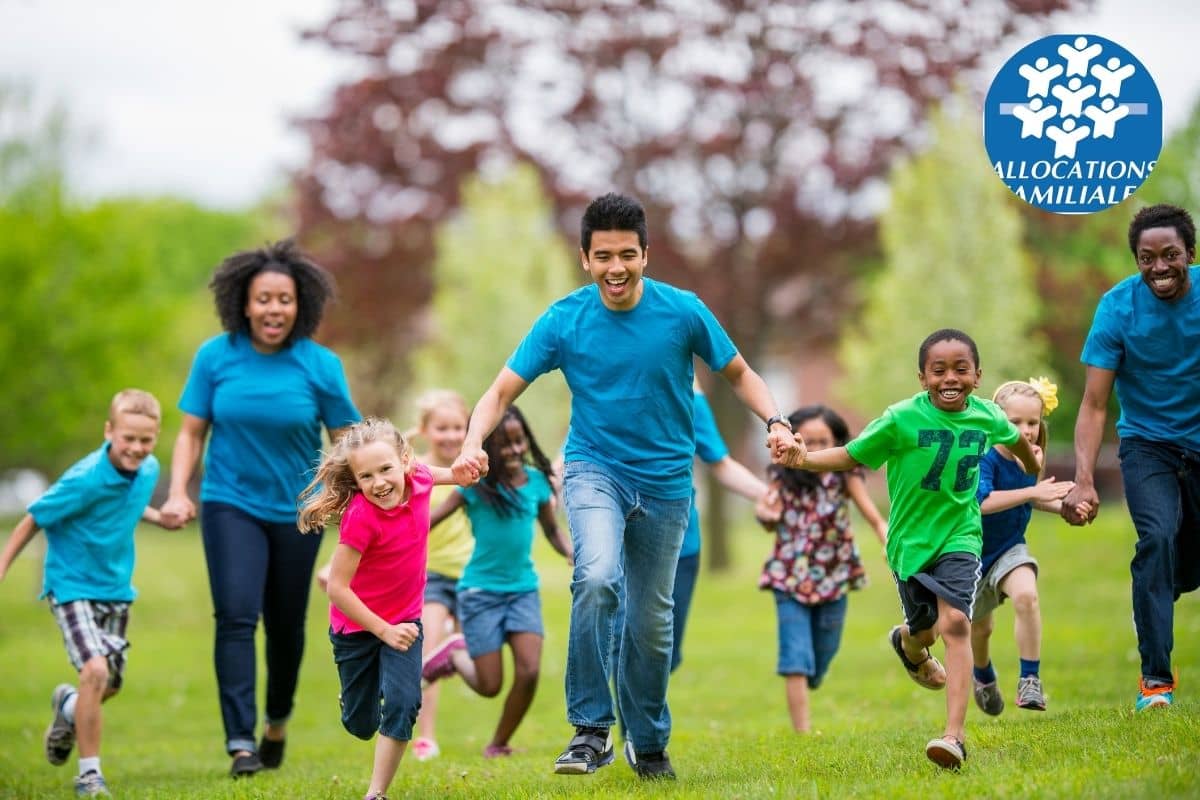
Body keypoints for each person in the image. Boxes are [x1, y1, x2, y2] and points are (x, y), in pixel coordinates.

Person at [452, 192, 804, 780]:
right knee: (594, 579)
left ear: (646, 254)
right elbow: (499, 393)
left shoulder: (683, 311)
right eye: (603, 256)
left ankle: (647, 739)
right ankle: (590, 730)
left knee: (651, 621)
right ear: (585, 259)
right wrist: (470, 442)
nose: (616, 267)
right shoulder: (564, 320)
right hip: (595, 471)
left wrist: (777, 421)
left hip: (667, 485)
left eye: (627, 254)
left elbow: (740, 374)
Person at [782, 329, 1038, 770]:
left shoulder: (988, 416)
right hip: (909, 545)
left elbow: (1016, 440)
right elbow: (852, 454)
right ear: (922, 377)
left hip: (961, 536)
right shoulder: (900, 419)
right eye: (938, 370)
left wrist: (1033, 465)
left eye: (961, 369)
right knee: (926, 631)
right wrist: (802, 459)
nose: (950, 378)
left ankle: (953, 738)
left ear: (977, 376)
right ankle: (909, 643)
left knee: (956, 622)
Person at [159, 240, 361, 777]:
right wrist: (180, 489)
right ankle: (240, 742)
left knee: (287, 626)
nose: (274, 309)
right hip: (230, 502)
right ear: (243, 304)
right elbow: (190, 434)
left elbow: (348, 442)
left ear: (301, 306)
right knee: (235, 615)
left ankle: (276, 722)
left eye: (285, 300)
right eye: (264, 299)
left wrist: (358, 503)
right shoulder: (215, 357)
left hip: (300, 511)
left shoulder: (319, 366)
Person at [1061, 203, 1200, 712]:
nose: (1159, 267)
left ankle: (1157, 594)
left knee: (1181, 569)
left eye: (1170, 255)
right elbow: (1095, 404)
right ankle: (1155, 682)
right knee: (1156, 542)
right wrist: (1082, 481)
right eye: (1147, 258)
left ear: (1190, 253)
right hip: (1147, 444)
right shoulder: (1118, 308)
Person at [0, 390, 172, 797]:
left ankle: (68, 708)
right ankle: (90, 776)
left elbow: (125, 504)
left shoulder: (148, 470)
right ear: (109, 431)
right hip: (72, 585)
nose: (136, 448)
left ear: (155, 437)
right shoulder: (85, 477)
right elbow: (34, 518)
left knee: (107, 685)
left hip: (116, 589)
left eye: (145, 440)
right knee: (94, 671)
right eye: (127, 438)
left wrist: (158, 517)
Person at [298, 417, 470, 800]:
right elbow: (338, 589)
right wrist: (382, 629)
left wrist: (462, 472)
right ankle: (355, 699)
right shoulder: (361, 517)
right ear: (356, 481)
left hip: (405, 621)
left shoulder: (420, 478)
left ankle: (376, 793)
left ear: (405, 461)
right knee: (361, 724)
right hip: (357, 629)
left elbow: (443, 473)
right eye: (366, 476)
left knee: (404, 702)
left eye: (386, 469)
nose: (379, 483)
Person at [421, 405, 573, 758]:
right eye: (505, 445)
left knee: (530, 670)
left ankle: (498, 743)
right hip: (480, 593)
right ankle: (455, 652)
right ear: (487, 449)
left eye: (520, 442)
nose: (515, 450)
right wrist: (386, 539)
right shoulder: (474, 488)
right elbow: (428, 521)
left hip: (522, 591)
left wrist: (570, 551)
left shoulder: (536, 482)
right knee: (490, 685)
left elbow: (551, 528)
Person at [753, 404, 888, 733]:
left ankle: (811, 674)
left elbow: (871, 513)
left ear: (837, 442)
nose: (813, 448)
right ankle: (804, 733)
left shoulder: (845, 474)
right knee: (795, 657)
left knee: (824, 652)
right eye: (807, 441)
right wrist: (766, 517)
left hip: (835, 573)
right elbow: (767, 513)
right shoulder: (782, 475)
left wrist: (886, 537)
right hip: (790, 576)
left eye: (822, 441)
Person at [971, 379, 1078, 716]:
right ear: (996, 421)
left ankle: (1029, 679)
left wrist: (1064, 508)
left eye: (1032, 422)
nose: (1025, 430)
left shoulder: (1031, 457)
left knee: (1026, 595)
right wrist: (1033, 493)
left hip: (1009, 548)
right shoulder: (984, 455)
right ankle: (983, 674)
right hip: (970, 554)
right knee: (981, 629)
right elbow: (983, 502)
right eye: (1014, 422)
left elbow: (1028, 501)